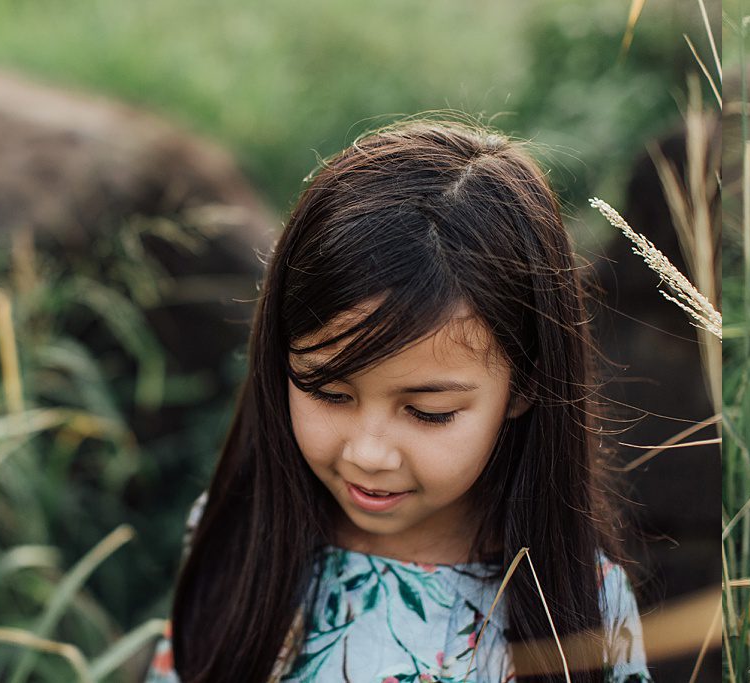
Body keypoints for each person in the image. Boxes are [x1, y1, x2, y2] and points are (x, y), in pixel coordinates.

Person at [143, 121, 650, 682]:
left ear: (526, 384)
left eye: (428, 412)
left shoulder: (580, 604)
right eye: (329, 392)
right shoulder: (236, 531)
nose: (369, 453)